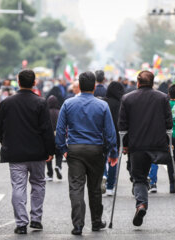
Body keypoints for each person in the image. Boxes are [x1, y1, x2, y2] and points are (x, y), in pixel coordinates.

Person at [56, 71, 118, 235]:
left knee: (76, 188)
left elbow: (60, 130)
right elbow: (110, 132)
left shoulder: (68, 104)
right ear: (94, 86)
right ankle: (96, 222)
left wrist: (63, 149)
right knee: (95, 187)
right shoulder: (102, 105)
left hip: (75, 149)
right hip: (96, 149)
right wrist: (113, 151)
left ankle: (78, 224)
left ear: (79, 86)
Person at [0, 69, 55, 234]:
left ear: (18, 81)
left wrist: (4, 141)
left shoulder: (6, 103)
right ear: (34, 82)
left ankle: (21, 223)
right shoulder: (41, 103)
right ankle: (36, 219)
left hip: (15, 153)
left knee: (18, 187)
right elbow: (46, 130)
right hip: (37, 153)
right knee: (38, 184)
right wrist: (50, 150)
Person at [118, 70, 172, 227]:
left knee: (139, 177)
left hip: (137, 145)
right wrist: (168, 141)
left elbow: (122, 125)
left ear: (138, 82)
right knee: (150, 172)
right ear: (153, 82)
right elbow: (169, 123)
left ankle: (141, 204)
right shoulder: (162, 98)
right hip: (158, 145)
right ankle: (172, 181)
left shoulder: (127, 98)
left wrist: (125, 144)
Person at [101, 81, 125, 196]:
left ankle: (103, 175)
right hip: (117, 135)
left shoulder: (103, 102)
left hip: (103, 134)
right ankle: (110, 187)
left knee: (102, 158)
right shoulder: (122, 103)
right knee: (113, 160)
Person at [45, 95, 63, 181]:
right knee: (59, 154)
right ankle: (58, 166)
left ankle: (50, 174)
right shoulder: (60, 112)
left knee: (48, 155)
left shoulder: (46, 112)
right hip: (58, 135)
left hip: (48, 137)